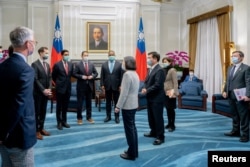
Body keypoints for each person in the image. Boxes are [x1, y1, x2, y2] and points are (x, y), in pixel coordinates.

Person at [0, 26, 37, 166]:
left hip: (3, 135)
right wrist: (3, 133)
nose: (34, 44)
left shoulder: (2, 66)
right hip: (19, 136)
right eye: (34, 41)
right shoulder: (26, 70)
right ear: (28, 44)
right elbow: (18, 105)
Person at [115, 56, 139, 161]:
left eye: (123, 62)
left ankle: (131, 154)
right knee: (133, 128)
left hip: (128, 106)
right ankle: (134, 150)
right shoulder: (135, 73)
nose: (122, 64)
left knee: (129, 130)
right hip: (133, 104)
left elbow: (124, 94)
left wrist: (117, 106)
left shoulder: (127, 74)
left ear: (127, 63)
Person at [222, 50, 250, 142]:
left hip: (241, 96)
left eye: (235, 56)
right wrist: (224, 91)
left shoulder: (246, 68)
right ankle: (235, 131)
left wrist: (248, 95)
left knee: (243, 116)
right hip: (230, 95)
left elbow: (248, 82)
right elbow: (228, 81)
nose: (233, 58)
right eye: (232, 56)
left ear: (241, 58)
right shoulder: (230, 68)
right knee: (234, 115)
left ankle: (245, 135)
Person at [142, 51, 165, 145]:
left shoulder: (159, 70)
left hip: (157, 98)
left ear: (155, 59)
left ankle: (160, 136)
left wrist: (147, 90)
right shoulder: (150, 69)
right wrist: (144, 87)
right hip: (150, 97)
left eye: (149, 57)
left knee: (158, 117)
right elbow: (147, 81)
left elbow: (158, 85)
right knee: (151, 117)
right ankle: (153, 132)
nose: (148, 59)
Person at [31, 47, 52, 140]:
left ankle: (41, 128)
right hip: (38, 93)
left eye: (48, 53)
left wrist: (49, 89)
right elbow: (35, 79)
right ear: (40, 53)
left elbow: (50, 78)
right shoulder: (34, 64)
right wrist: (43, 90)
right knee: (37, 112)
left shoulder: (47, 65)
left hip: (46, 93)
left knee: (43, 112)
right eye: (46, 53)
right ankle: (36, 131)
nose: (47, 54)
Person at [73, 51, 98, 125]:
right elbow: (74, 73)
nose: (86, 56)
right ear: (82, 56)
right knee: (80, 103)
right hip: (81, 86)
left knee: (89, 103)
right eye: (85, 55)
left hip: (89, 86)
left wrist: (92, 76)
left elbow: (96, 73)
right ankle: (79, 118)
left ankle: (89, 117)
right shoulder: (78, 64)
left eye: (87, 55)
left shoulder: (91, 64)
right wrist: (81, 76)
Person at [52, 49, 73, 130]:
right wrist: (58, 83)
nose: (67, 56)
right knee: (59, 106)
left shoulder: (70, 64)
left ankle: (64, 121)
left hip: (68, 88)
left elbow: (71, 75)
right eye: (65, 54)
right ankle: (59, 122)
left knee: (65, 106)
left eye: (68, 54)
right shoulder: (57, 65)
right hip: (60, 88)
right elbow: (53, 76)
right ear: (62, 55)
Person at [100, 50, 123, 123]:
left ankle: (117, 117)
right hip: (107, 86)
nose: (111, 56)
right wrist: (102, 84)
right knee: (108, 102)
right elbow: (102, 75)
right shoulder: (104, 64)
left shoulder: (119, 64)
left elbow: (121, 75)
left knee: (117, 102)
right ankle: (108, 116)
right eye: (110, 55)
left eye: (112, 54)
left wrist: (121, 85)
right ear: (108, 56)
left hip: (116, 86)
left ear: (115, 55)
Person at [162, 57, 179, 132]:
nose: (164, 63)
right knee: (167, 108)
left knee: (171, 109)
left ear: (169, 62)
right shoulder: (163, 70)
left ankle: (173, 125)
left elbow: (175, 82)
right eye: (163, 61)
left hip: (171, 91)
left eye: (165, 61)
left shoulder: (172, 70)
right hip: (165, 92)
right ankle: (169, 123)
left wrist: (175, 92)